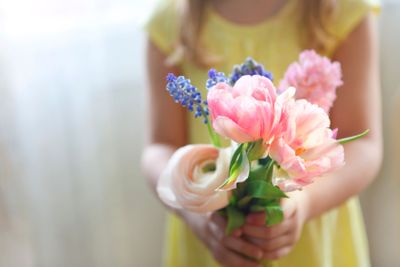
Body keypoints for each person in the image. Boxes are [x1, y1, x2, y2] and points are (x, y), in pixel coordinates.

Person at [141, 0, 382, 266]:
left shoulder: (342, 11)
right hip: (210, 239)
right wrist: (197, 215)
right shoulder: (170, 22)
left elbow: (364, 144)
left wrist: (304, 205)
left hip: (312, 237)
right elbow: (160, 146)